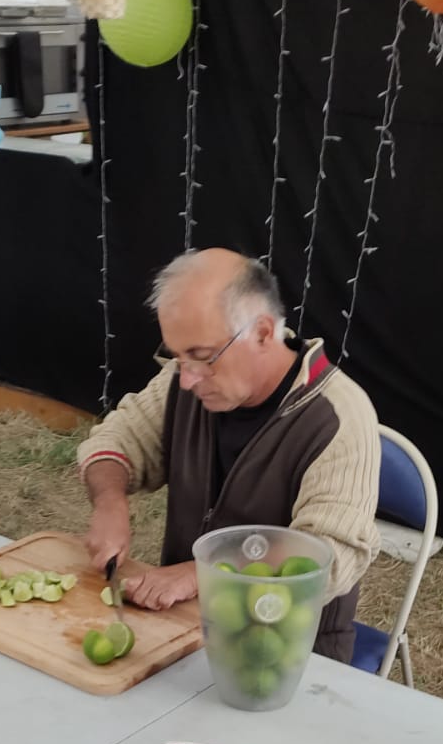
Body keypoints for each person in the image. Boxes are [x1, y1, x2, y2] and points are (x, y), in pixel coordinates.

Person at [78, 247, 381, 661]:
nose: (186, 380)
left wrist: (201, 575)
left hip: (289, 653)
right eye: (176, 356)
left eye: (202, 358)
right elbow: (113, 441)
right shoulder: (183, 383)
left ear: (260, 333)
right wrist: (110, 500)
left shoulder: (339, 417)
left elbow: (327, 556)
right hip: (184, 629)